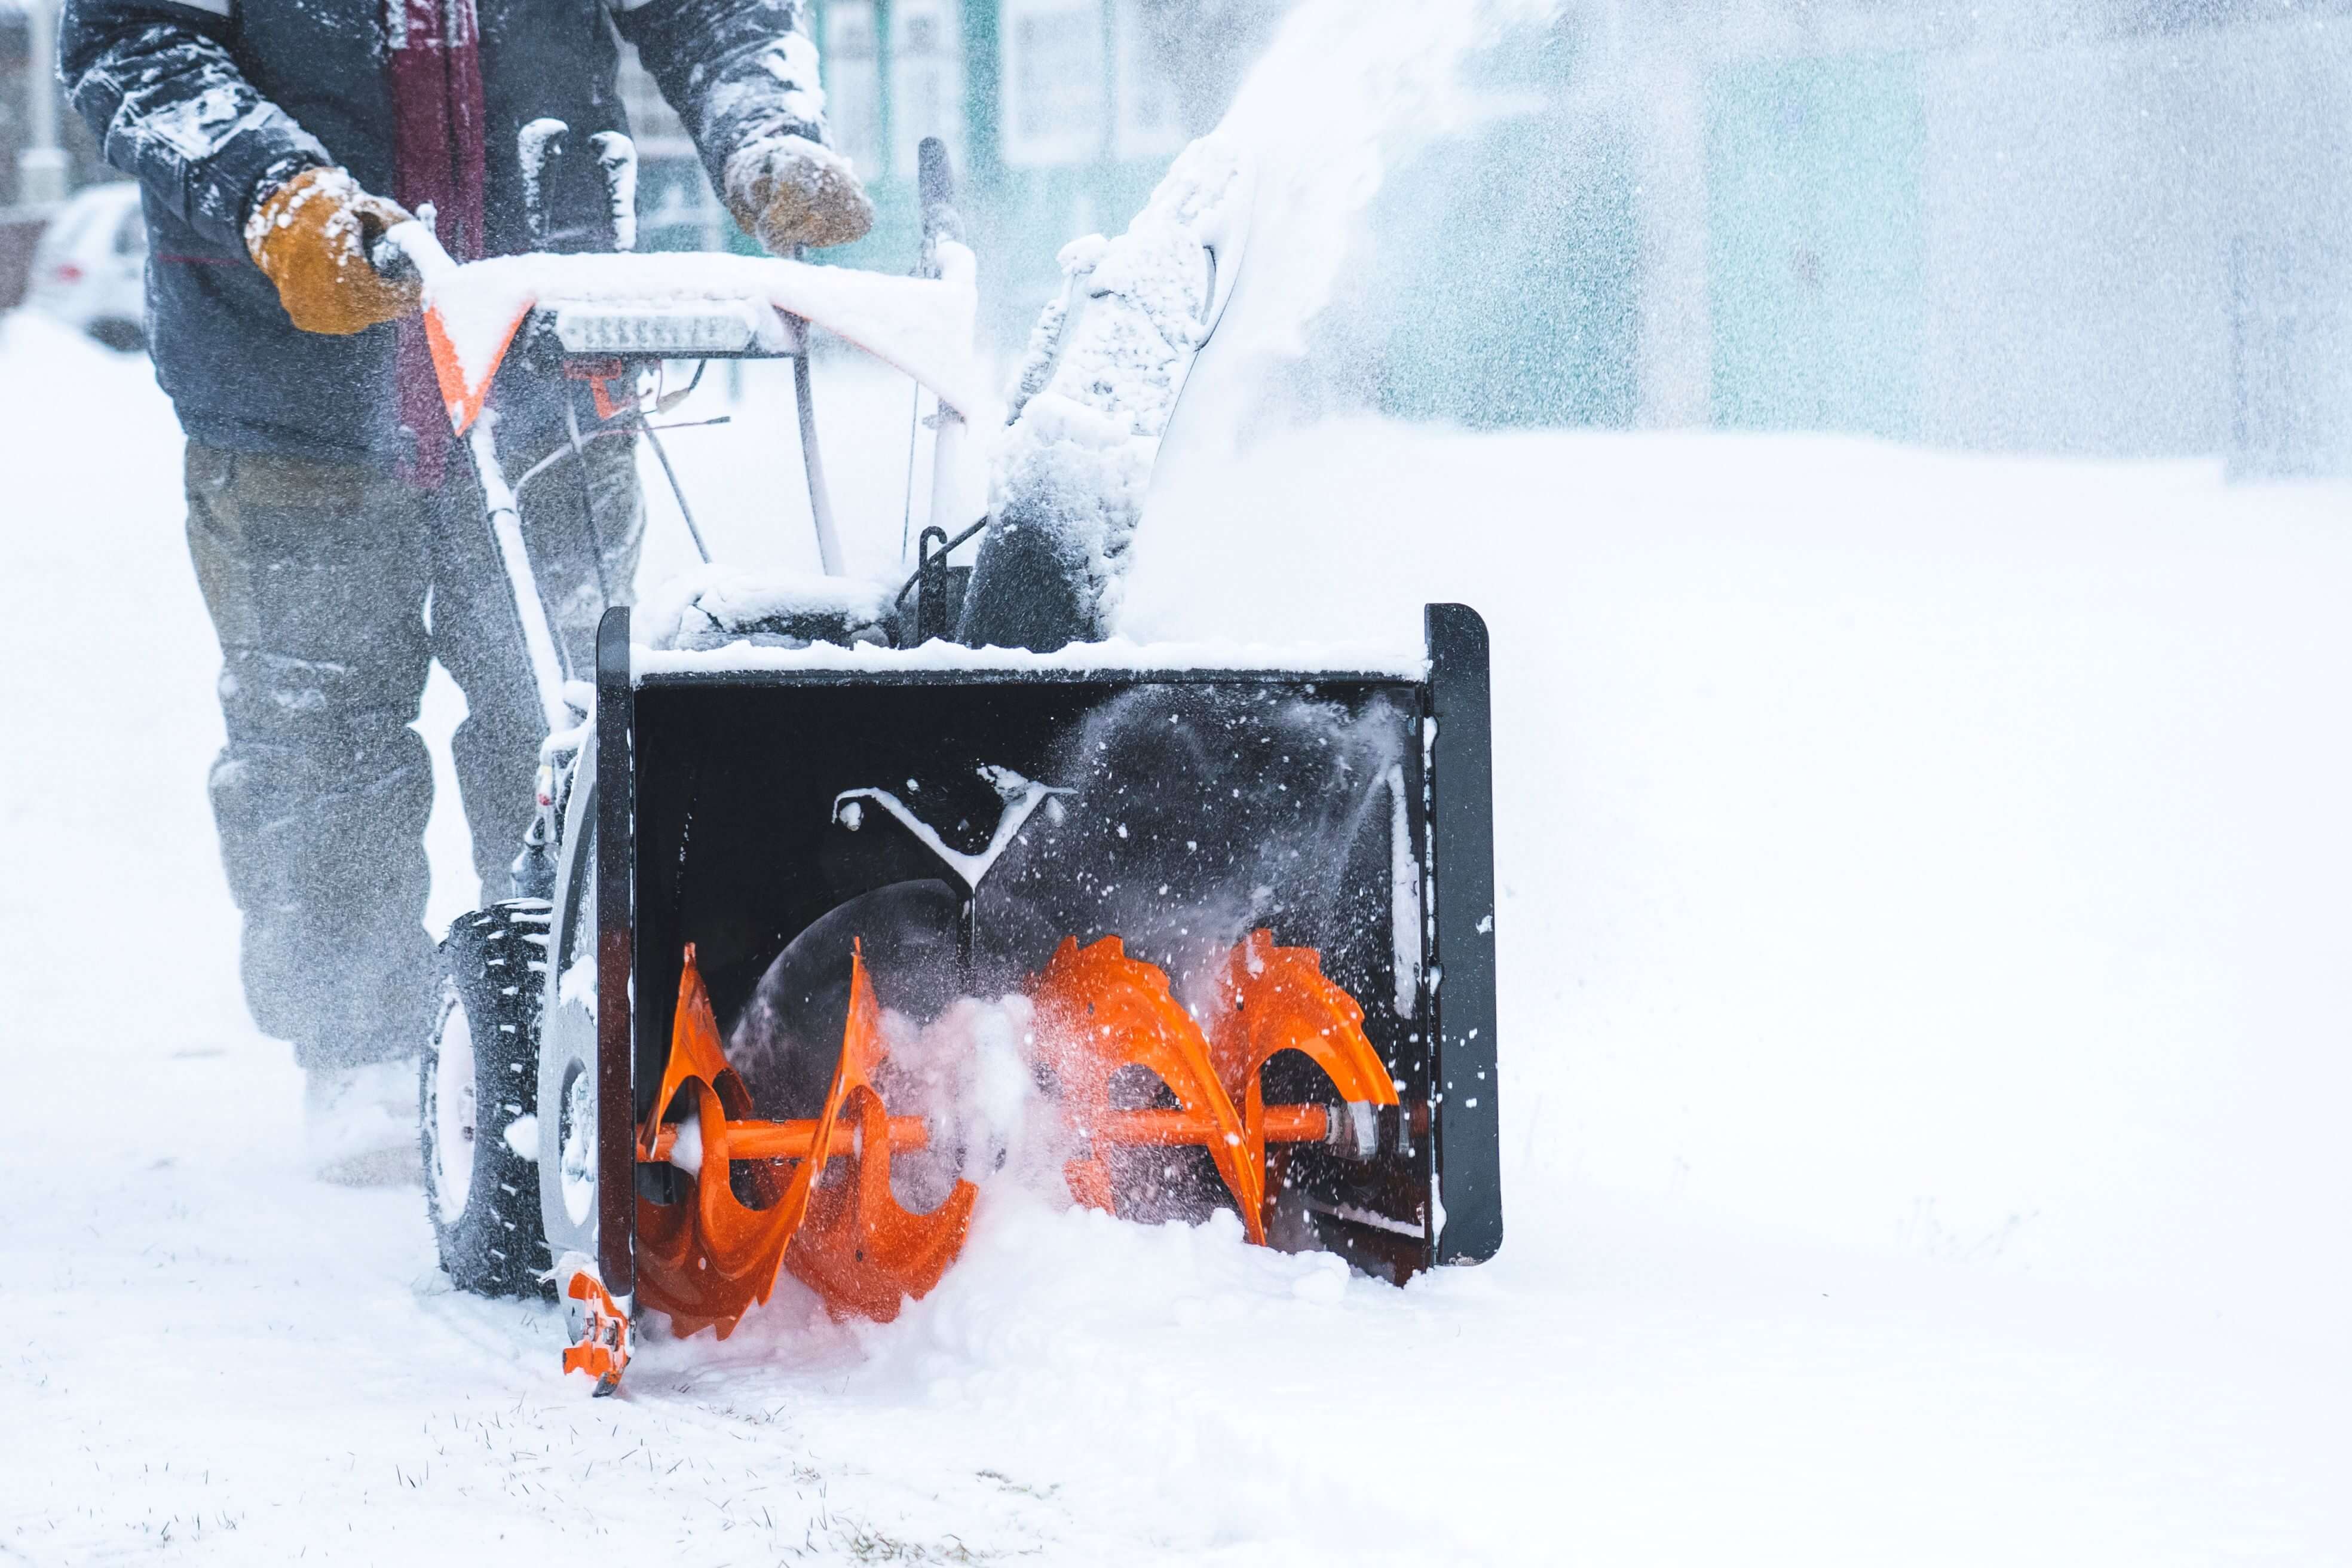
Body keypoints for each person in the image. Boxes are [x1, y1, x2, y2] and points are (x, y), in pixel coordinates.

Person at [58, 0, 872, 1180]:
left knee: (567, 724)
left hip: (547, 344)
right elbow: (133, 38)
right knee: (317, 727)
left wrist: (761, 128)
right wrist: (275, 191)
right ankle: (364, 1050)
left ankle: (566, 1026)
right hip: (288, 365)